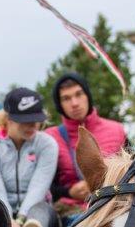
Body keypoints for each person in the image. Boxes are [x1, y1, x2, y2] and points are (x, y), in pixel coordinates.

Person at [0, 88, 60, 227]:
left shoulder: (48, 144)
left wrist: (21, 218)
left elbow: (39, 186)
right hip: (0, 209)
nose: (33, 125)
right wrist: (8, 219)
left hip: (38, 208)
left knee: (40, 210)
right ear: (7, 118)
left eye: (36, 119)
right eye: (25, 121)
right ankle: (6, 226)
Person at [47, 71, 127, 212]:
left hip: (114, 208)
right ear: (59, 105)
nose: (74, 103)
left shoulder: (117, 130)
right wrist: (69, 192)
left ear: (88, 96)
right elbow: (42, 186)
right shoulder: (50, 137)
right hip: (71, 211)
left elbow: (134, 172)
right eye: (66, 98)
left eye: (79, 94)